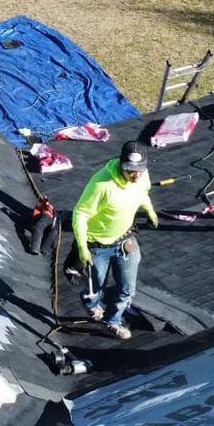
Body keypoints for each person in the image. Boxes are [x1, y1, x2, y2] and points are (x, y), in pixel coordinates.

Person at [71, 142, 158, 340]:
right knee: (96, 286)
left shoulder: (142, 177)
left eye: (139, 170)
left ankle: (114, 321)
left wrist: (149, 210)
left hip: (125, 240)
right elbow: (80, 213)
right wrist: (82, 247)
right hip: (97, 246)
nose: (135, 176)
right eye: (130, 171)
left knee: (127, 289)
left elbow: (142, 193)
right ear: (121, 164)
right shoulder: (102, 184)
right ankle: (92, 305)